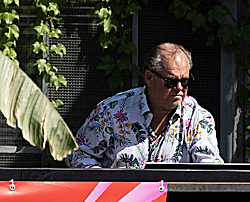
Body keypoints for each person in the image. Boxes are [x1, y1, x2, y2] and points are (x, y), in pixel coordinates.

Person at [65, 43, 223, 168]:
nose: (179, 88)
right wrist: (103, 179)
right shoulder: (111, 111)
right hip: (122, 198)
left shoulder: (198, 118)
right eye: (171, 81)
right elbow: (77, 154)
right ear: (149, 78)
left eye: (185, 81)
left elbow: (211, 168)